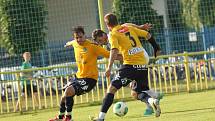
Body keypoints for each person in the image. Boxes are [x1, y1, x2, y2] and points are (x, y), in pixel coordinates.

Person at [91, 13, 162, 121]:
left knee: (112, 88)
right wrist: (156, 48)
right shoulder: (126, 28)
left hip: (131, 65)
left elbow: (114, 51)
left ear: (107, 26)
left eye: (100, 41)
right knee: (136, 92)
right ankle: (152, 100)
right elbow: (147, 34)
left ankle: (101, 118)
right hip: (142, 64)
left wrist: (109, 67)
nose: (101, 43)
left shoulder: (112, 34)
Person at [49, 26, 114, 121]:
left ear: (85, 35)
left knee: (68, 91)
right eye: (76, 38)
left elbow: (110, 55)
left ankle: (68, 118)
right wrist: (68, 43)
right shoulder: (75, 43)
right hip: (78, 77)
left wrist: (123, 56)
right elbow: (72, 42)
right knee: (64, 97)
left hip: (90, 79)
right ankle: (60, 117)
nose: (79, 39)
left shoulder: (93, 46)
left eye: (80, 37)